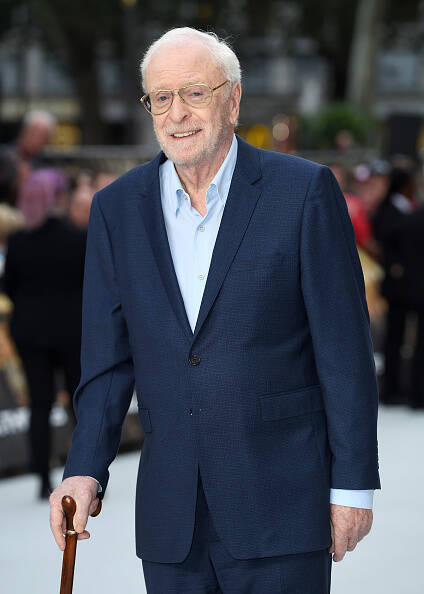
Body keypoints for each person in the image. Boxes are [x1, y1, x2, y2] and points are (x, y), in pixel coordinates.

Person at [49, 28, 380, 593]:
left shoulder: (303, 192)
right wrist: (84, 470)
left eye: (194, 93)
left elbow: (344, 350)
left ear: (233, 99)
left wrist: (351, 485)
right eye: (161, 97)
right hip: (171, 519)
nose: (177, 113)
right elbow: (106, 364)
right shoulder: (116, 209)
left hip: (282, 505)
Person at [3, 168, 86, 498]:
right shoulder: (76, 236)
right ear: (58, 197)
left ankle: (41, 477)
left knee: (39, 404)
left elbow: (9, 285)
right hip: (71, 330)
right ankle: (85, 472)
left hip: (30, 332)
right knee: (79, 401)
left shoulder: (18, 241)